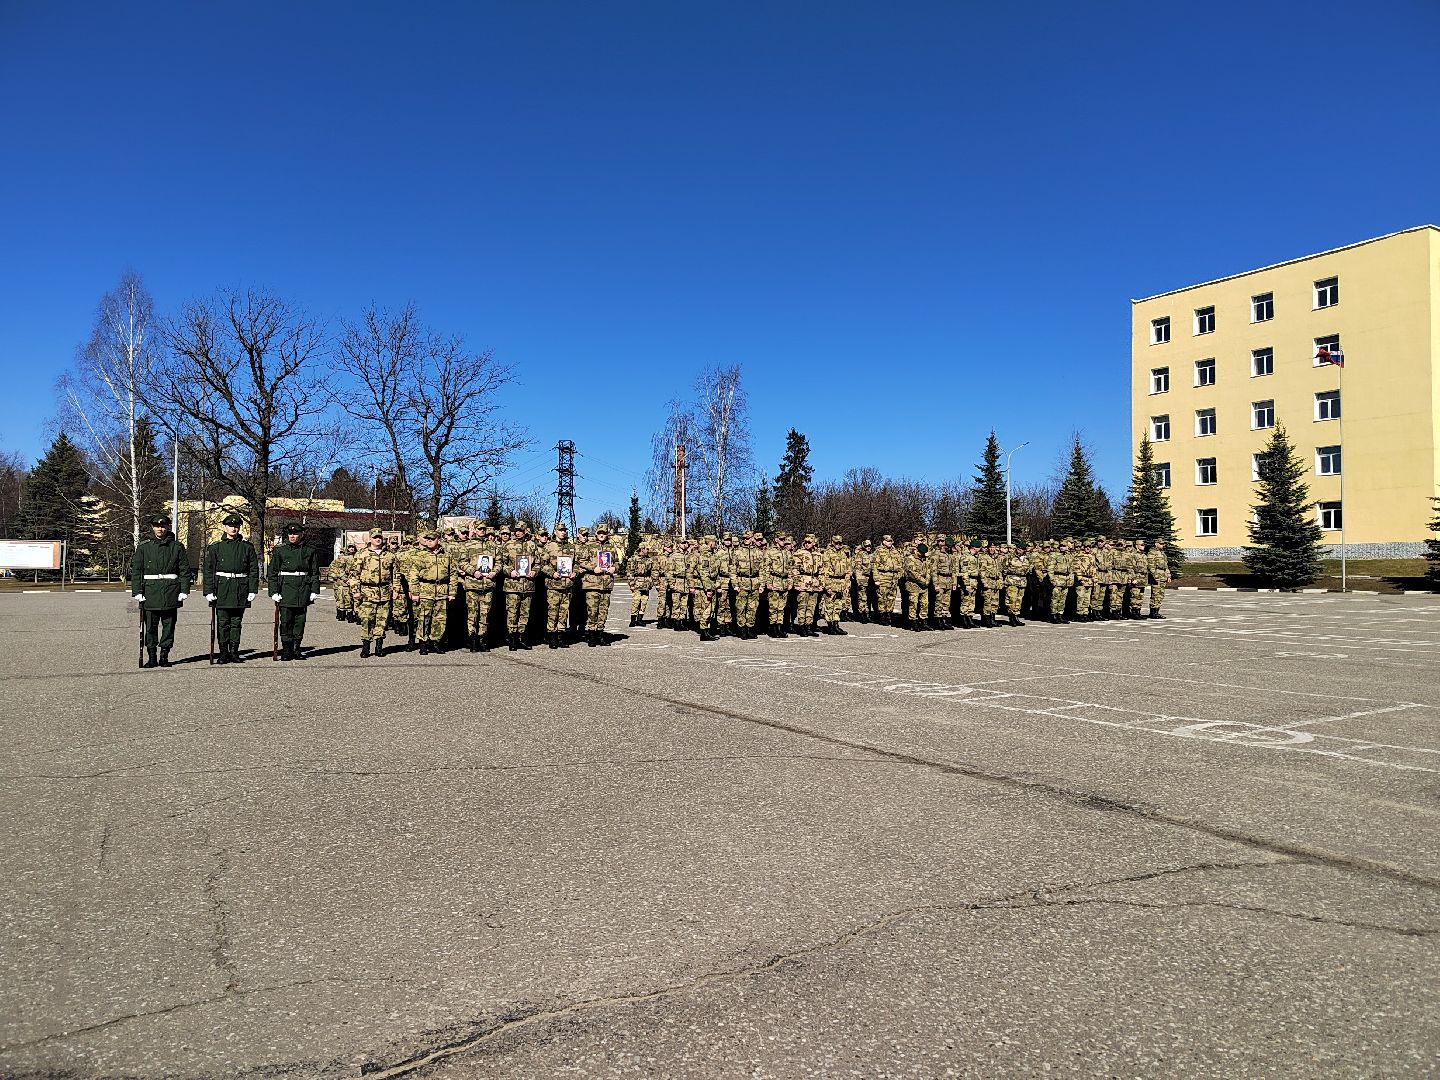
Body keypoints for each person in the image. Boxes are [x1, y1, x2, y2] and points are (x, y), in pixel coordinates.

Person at [130, 513, 192, 668]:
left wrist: (184, 590)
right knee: (150, 626)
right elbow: (137, 571)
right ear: (152, 527)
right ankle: (152, 657)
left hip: (171, 592)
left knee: (169, 626)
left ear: (167, 527)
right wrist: (137, 591)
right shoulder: (144, 547)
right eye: (157, 526)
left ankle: (164, 655)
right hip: (150, 592)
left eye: (163, 526)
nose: (160, 529)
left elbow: (184, 570)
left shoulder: (177, 547)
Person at [202, 512, 259, 663]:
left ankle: (234, 652)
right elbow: (209, 570)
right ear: (225, 527)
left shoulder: (247, 547)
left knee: (236, 622)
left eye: (236, 526)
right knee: (223, 623)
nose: (233, 528)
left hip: (240, 588)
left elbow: (253, 570)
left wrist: (253, 589)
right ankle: (223, 653)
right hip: (222, 588)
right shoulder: (215, 547)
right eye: (230, 526)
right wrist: (208, 591)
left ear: (239, 527)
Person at [268, 522, 319, 660]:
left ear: (302, 534)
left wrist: (314, 590)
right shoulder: (280, 550)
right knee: (286, 622)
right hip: (285, 590)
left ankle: (297, 649)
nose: (292, 536)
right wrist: (273, 592)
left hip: (303, 589)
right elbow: (272, 572)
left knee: (300, 621)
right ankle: (286, 650)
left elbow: (314, 572)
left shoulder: (309, 550)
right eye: (290, 533)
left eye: (295, 533)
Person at [404, 528, 456, 654]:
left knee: (440, 618)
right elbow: (413, 576)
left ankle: (435, 641)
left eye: (432, 539)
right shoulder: (420, 556)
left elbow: (453, 574)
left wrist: (452, 592)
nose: (429, 541)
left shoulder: (447, 555)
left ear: (438, 540)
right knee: (424, 618)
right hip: (425, 590)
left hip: (442, 590)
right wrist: (415, 593)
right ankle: (423, 643)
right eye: (427, 539)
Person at [352, 528, 399, 657]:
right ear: (370, 539)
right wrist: (355, 591)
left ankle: (379, 647)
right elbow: (354, 574)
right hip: (367, 592)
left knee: (382, 621)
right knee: (367, 620)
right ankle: (366, 646)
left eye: (379, 537)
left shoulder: (390, 555)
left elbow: (396, 574)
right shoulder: (362, 554)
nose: (377, 539)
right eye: (375, 537)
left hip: (384, 592)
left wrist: (396, 590)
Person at [580, 523, 622, 645]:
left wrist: (615, 568)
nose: (602, 535)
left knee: (603, 611)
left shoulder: (612, 548)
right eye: (600, 533)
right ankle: (591, 635)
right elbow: (582, 561)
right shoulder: (589, 546)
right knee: (592, 610)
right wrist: (593, 568)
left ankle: (600, 634)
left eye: (604, 533)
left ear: (607, 534)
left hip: (606, 584)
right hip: (592, 583)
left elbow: (617, 563)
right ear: (596, 534)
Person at [501, 521, 538, 650]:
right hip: (512, 585)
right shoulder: (508, 545)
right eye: (516, 530)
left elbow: (538, 563)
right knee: (512, 612)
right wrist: (510, 571)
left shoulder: (532, 545)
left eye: (520, 530)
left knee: (525, 613)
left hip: (527, 585)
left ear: (525, 531)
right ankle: (512, 638)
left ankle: (522, 637)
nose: (518, 532)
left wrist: (535, 571)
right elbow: (501, 563)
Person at [541, 523, 577, 648]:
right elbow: (542, 564)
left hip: (567, 585)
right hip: (554, 585)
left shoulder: (571, 547)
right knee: (553, 611)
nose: (563, 532)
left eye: (564, 530)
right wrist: (552, 573)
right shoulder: (549, 547)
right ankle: (552, 636)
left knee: (563, 611)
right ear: (555, 532)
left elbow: (576, 563)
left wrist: (574, 572)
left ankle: (561, 636)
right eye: (560, 530)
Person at [1146, 539, 1171, 618]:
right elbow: (1151, 565)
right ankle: (1153, 612)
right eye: (1161, 543)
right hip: (1157, 576)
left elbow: (1165, 566)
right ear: (1156, 544)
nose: (1162, 545)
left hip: (1163, 575)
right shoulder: (1152, 553)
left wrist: (1168, 575)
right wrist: (1155, 576)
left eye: (1163, 544)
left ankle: (1157, 611)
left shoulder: (1162, 553)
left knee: (1161, 595)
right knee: (1155, 594)